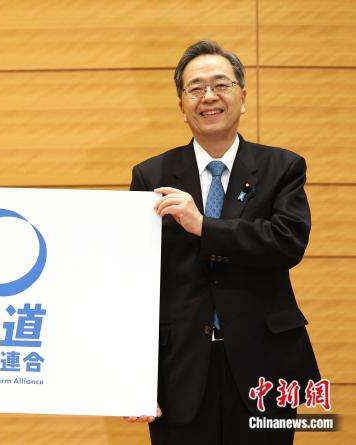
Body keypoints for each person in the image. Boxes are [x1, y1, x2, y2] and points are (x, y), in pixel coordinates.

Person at [127, 41, 320, 444]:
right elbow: (136, 282)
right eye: (195, 88)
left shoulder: (282, 167)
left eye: (221, 85)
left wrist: (204, 226)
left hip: (264, 365)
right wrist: (135, 376)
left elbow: (287, 242)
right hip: (179, 370)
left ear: (242, 97)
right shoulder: (151, 175)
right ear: (182, 105)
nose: (209, 96)